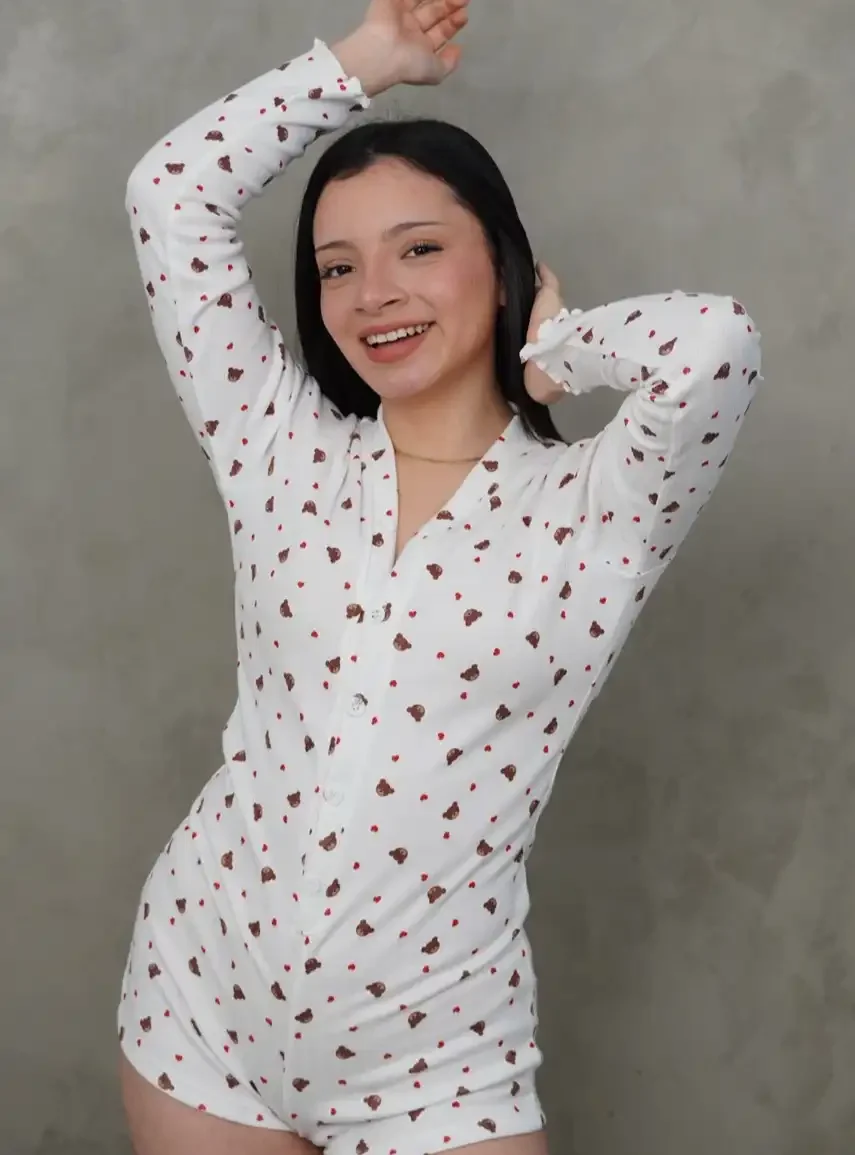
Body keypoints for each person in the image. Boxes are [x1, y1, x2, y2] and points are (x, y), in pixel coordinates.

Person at [116, 0, 762, 1152]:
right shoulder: (279, 448)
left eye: (418, 249)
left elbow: (715, 345)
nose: (374, 293)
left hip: (434, 1061)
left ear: (501, 263)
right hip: (200, 1002)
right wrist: (373, 62)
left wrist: (555, 351)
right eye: (337, 267)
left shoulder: (599, 511)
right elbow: (170, 194)